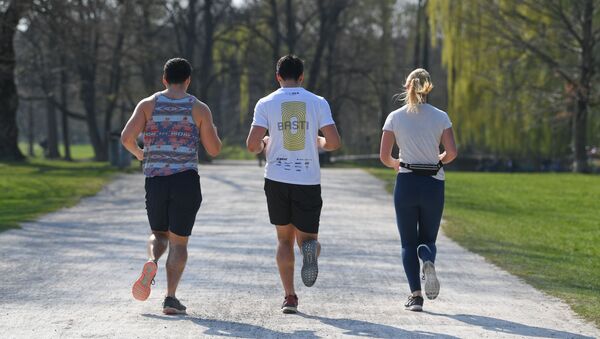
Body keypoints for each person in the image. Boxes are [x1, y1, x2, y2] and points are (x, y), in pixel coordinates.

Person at [121, 58, 222, 314]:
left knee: (158, 233)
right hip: (185, 180)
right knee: (179, 243)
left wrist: (141, 154)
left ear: (164, 79)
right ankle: (170, 298)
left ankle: (152, 260)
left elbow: (126, 138)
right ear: (188, 80)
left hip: (156, 180)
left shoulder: (147, 105)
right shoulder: (198, 108)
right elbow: (214, 149)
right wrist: (212, 131)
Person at [246, 55, 341, 314]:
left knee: (283, 241)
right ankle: (310, 252)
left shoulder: (265, 103)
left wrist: (265, 143)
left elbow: (252, 145)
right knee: (307, 239)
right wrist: (318, 142)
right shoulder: (318, 102)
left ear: (278, 76)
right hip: (308, 180)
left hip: (276, 178)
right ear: (301, 77)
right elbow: (333, 142)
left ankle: (289, 297)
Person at [379, 68, 457, 312]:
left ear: (407, 87)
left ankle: (415, 296)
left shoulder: (395, 117)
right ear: (429, 88)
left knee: (407, 243)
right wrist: (438, 159)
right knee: (427, 239)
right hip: (433, 182)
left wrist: (396, 164)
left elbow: (384, 156)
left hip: (407, 181)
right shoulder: (441, 116)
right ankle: (427, 258)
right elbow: (452, 152)